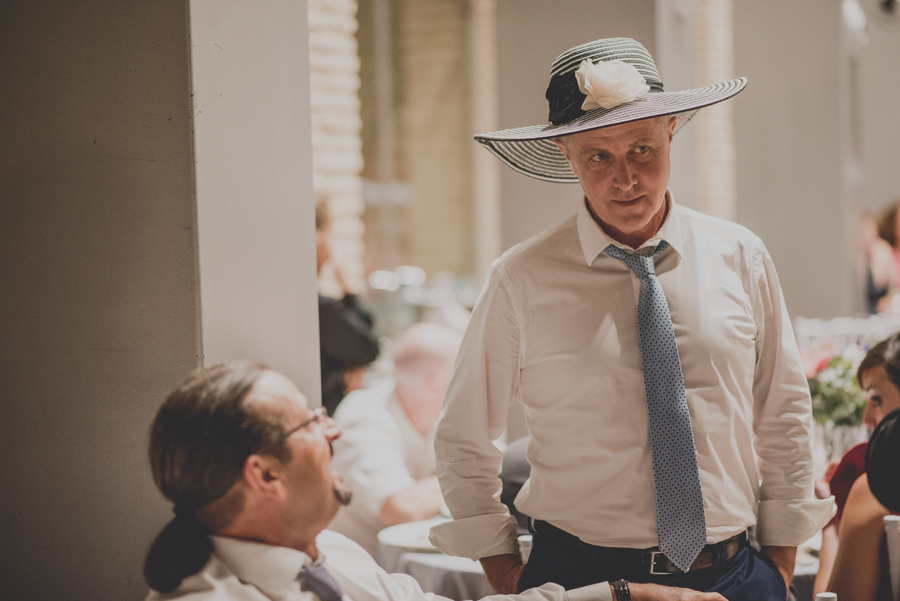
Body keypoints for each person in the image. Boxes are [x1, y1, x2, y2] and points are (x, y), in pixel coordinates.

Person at [430, 37, 834, 601]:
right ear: (566, 154)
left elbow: (784, 412)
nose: (626, 179)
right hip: (580, 577)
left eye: (642, 149)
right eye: (599, 156)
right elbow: (464, 437)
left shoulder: (741, 257)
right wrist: (505, 572)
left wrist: (780, 570)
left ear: (670, 132)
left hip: (735, 574)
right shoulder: (521, 279)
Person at [143, 361, 726, 601]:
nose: (333, 431)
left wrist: (623, 595)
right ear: (264, 474)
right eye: (312, 420)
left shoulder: (336, 555)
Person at [328, 322, 463, 556]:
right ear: (434, 385)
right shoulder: (364, 415)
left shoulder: (443, 416)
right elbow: (401, 507)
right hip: (363, 575)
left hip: (412, 563)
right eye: (464, 372)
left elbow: (499, 463)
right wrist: (475, 477)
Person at [814, 333, 900, 595]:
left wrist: (831, 523)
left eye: (876, 399)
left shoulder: (874, 488)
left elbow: (834, 599)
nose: (866, 417)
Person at [316, 200, 380, 415]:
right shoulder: (320, 310)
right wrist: (349, 289)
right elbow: (368, 347)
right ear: (317, 238)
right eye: (328, 233)